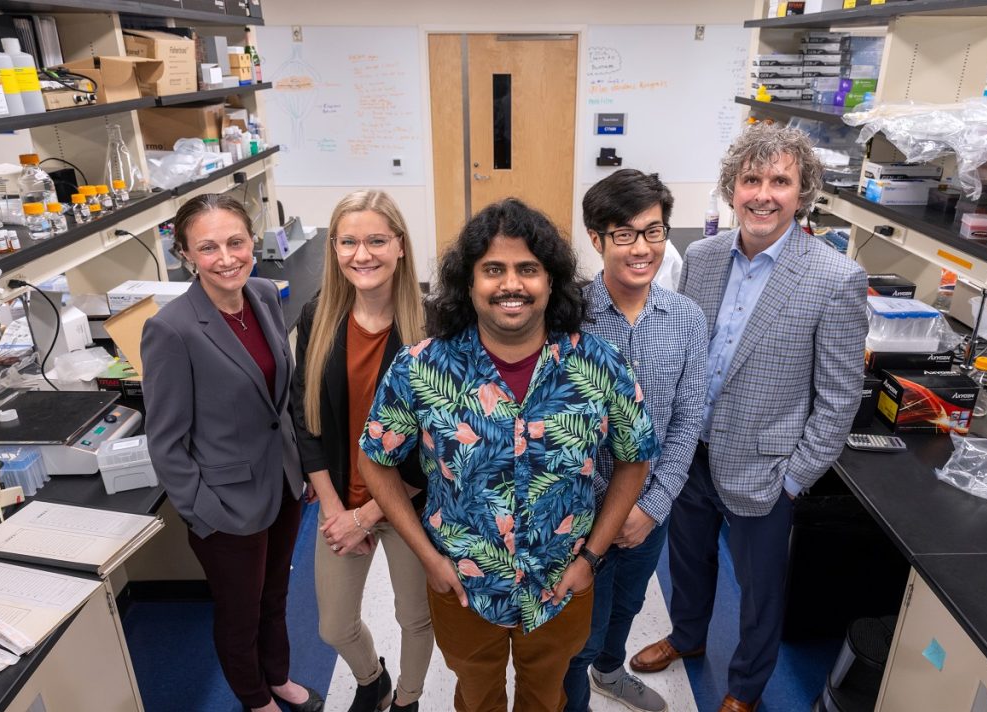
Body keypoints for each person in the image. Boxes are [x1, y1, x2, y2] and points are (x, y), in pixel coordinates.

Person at [356, 198, 660, 712]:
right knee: (476, 697)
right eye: (493, 269)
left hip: (562, 582)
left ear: (551, 281)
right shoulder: (420, 368)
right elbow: (374, 460)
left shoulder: (599, 364)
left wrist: (591, 557)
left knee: (548, 697)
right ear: (468, 282)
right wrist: (429, 559)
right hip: (462, 584)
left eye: (528, 269)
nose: (511, 284)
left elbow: (635, 458)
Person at [630, 124, 868, 712]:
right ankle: (687, 637)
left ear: (802, 192)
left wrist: (794, 477)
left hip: (767, 468)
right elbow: (688, 351)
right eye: (751, 179)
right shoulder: (704, 258)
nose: (764, 194)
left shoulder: (835, 278)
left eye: (780, 181)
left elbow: (839, 400)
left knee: (761, 593)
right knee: (687, 561)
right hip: (691, 452)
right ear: (731, 189)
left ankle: (745, 687)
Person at [141, 193, 323, 712]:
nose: (226, 258)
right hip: (225, 504)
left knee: (275, 595)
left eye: (236, 242)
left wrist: (303, 466)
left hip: (283, 482)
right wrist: (204, 514)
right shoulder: (172, 329)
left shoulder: (263, 294)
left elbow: (281, 399)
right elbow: (166, 439)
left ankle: (278, 676)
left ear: (252, 240)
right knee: (239, 610)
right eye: (208, 247)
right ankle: (254, 698)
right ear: (184, 254)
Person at [563, 169, 708, 712]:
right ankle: (575, 692)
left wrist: (651, 504)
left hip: (650, 510)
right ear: (596, 239)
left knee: (627, 603)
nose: (641, 247)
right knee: (580, 625)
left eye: (653, 231)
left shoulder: (687, 320)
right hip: (578, 513)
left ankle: (609, 672)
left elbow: (688, 418)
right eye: (623, 234)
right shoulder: (568, 316)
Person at [290, 190, 433, 712]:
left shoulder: (434, 325)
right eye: (348, 241)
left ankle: (407, 701)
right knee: (333, 625)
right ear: (333, 247)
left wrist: (372, 514)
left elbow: (437, 448)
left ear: (399, 245)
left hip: (412, 502)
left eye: (376, 240)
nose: (362, 254)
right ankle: (372, 679)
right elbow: (304, 417)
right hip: (342, 501)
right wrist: (335, 510)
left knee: (415, 618)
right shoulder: (318, 316)